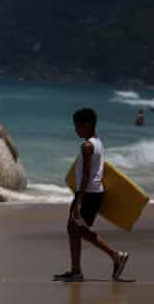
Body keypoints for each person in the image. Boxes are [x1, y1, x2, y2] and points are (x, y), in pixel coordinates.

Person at [54, 108, 129, 283]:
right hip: (94, 193)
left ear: (86, 125)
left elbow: (87, 175)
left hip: (88, 194)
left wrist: (78, 202)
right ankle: (77, 270)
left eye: (77, 126)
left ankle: (114, 256)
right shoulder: (98, 143)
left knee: (75, 229)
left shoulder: (87, 146)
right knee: (76, 230)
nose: (75, 130)